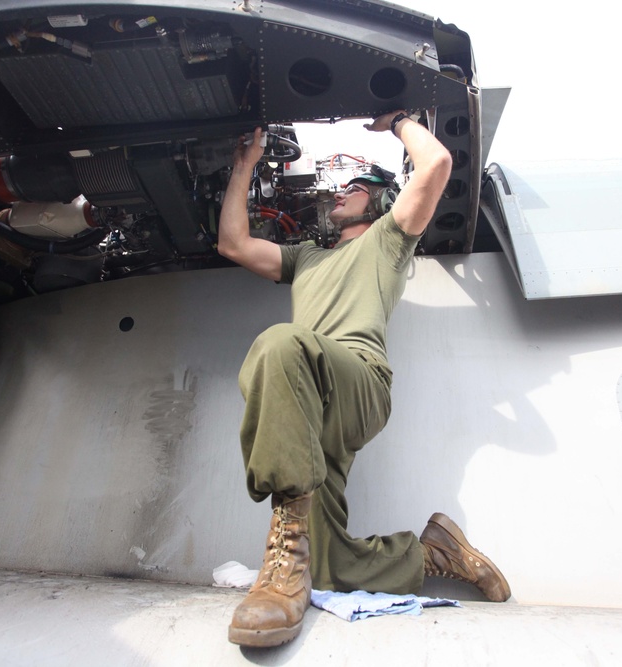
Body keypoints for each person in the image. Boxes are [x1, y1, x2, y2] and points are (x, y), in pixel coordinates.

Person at [217, 111, 511, 648]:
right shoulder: (304, 258)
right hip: (303, 406)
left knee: (280, 342)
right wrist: (245, 167)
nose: (337, 193)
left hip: (358, 385)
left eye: (353, 186)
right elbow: (233, 243)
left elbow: (437, 163)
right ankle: (432, 552)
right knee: (326, 568)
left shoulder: (387, 240)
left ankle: (279, 566)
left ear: (378, 197)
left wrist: (397, 121)